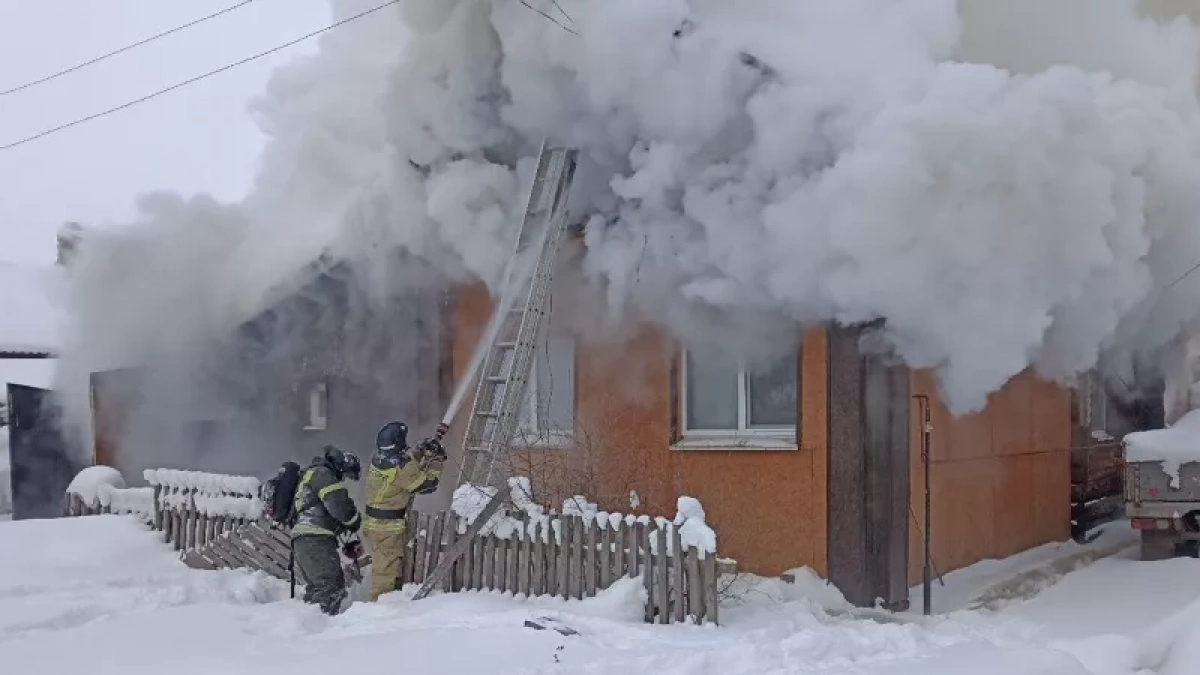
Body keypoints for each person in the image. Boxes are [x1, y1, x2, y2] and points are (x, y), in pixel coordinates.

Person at [363, 421, 446, 601]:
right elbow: (427, 485)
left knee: (386, 567)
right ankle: (378, 610)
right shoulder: (400, 466)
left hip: (374, 523)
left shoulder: (380, 458)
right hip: (387, 527)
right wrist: (437, 460)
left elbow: (405, 465)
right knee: (385, 573)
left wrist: (420, 450)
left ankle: (387, 603)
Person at [292, 445, 362, 615]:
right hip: (315, 539)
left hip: (305, 539)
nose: (343, 479)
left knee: (321, 588)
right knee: (330, 587)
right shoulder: (324, 475)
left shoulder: (312, 474)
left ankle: (308, 623)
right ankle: (319, 631)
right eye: (345, 474)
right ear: (341, 466)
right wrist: (354, 521)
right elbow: (340, 508)